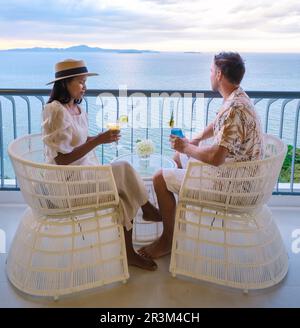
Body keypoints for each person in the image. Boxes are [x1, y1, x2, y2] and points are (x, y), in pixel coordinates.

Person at [139, 52, 264, 259]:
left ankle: (168, 240)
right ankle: (179, 216)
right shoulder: (238, 97)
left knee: (159, 178)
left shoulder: (233, 108)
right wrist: (193, 141)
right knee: (178, 157)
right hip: (242, 173)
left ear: (219, 74)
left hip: (233, 184)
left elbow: (216, 158)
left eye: (210, 70)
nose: (209, 74)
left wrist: (186, 147)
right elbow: (218, 125)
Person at [42, 59, 161, 271]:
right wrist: (98, 141)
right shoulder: (56, 110)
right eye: (80, 82)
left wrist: (98, 137)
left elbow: (78, 142)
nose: (85, 87)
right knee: (123, 167)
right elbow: (61, 160)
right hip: (67, 184)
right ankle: (148, 208)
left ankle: (129, 252)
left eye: (85, 81)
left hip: (85, 173)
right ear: (66, 83)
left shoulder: (76, 109)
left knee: (123, 194)